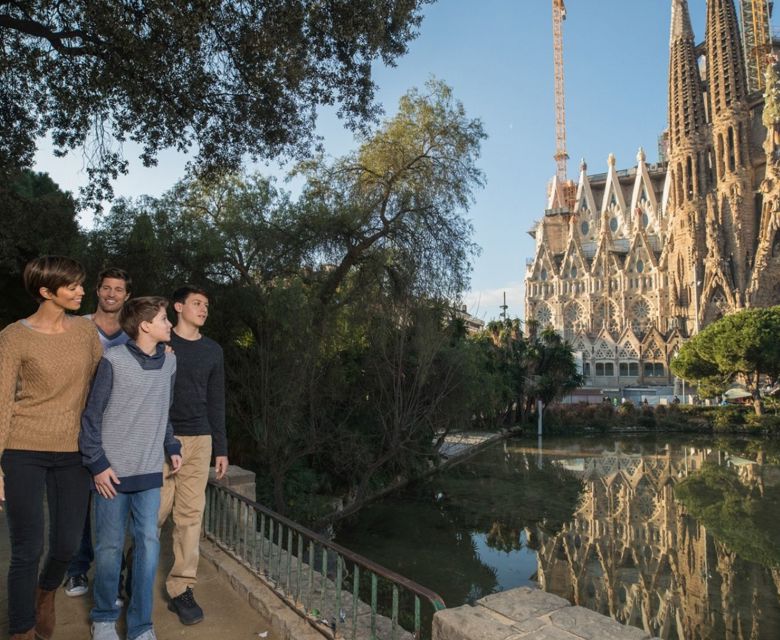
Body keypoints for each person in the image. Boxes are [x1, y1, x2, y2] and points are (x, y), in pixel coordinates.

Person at [0, 256, 103, 640]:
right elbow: (1, 402)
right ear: (46, 291)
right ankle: (21, 630)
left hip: (72, 451)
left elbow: (102, 383)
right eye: (72, 286)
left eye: (80, 284)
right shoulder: (14, 337)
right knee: (27, 547)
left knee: (66, 544)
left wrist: (156, 355)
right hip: (23, 448)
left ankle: (45, 593)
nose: (81, 291)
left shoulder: (86, 332)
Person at [79, 297, 182, 640]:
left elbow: (163, 410)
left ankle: (140, 624)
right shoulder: (113, 360)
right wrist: (97, 464)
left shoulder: (170, 363)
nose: (170, 324)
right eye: (164, 319)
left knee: (148, 546)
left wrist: (171, 446)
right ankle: (104, 616)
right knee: (109, 548)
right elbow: (91, 418)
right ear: (145, 326)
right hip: (111, 474)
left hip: (149, 471)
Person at [158, 285, 227, 625]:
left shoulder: (213, 350)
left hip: (200, 440)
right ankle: (133, 568)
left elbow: (217, 400)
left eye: (206, 305)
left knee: (189, 517)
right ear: (178, 306)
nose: (204, 309)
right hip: (161, 437)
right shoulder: (160, 341)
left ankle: (181, 588)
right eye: (197, 303)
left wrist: (221, 448)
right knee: (153, 514)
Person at [65, 267, 132, 599]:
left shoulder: (132, 334)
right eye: (106, 287)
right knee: (78, 505)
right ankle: (77, 568)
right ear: (97, 290)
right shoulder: (77, 327)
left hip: (115, 430)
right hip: (75, 425)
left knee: (112, 507)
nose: (111, 294)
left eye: (118, 289)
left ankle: (112, 575)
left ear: (127, 296)